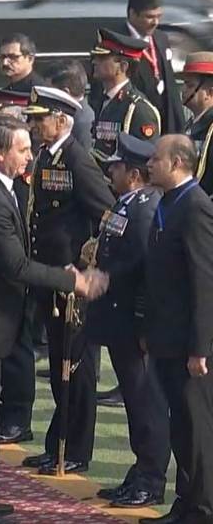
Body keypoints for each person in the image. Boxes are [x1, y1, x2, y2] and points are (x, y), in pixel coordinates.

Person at [0, 115, 106, 523]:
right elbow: (14, 264)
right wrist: (73, 281)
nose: (30, 155)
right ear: (0, 152)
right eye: (23, 149)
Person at [20, 86, 115, 476]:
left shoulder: (77, 158)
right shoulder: (47, 154)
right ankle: (55, 442)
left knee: (76, 367)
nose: (33, 124)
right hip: (49, 276)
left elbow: (107, 213)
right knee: (60, 362)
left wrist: (88, 258)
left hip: (71, 282)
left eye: (40, 118)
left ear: (61, 120)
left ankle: (76, 447)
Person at [83, 133, 169, 509]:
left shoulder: (146, 207)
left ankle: (151, 477)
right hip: (117, 319)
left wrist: (142, 321)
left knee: (145, 402)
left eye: (115, 167)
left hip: (132, 322)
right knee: (136, 401)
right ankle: (141, 469)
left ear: (133, 174)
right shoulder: (129, 202)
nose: (110, 172)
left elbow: (145, 269)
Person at [141, 135, 213, 524]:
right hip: (165, 335)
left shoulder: (197, 206)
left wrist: (200, 347)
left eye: (156, 158)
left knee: (197, 429)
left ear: (178, 162)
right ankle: (185, 504)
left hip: (189, 344)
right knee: (181, 428)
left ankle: (202, 510)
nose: (149, 165)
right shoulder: (169, 201)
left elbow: (205, 281)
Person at [89, 28, 161, 161]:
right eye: (95, 57)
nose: (94, 62)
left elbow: (146, 158)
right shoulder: (102, 99)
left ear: (123, 67)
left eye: (103, 58)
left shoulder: (138, 109)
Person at [123, 0, 184, 134]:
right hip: (136, 127)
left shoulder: (161, 38)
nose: (155, 22)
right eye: (149, 17)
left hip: (165, 127)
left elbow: (171, 88)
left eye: (158, 17)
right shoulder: (117, 42)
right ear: (133, 14)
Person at [178, 52, 213, 194]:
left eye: (189, 85)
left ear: (209, 93)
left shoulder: (209, 127)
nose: (183, 90)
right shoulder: (190, 124)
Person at [43, 60, 96, 151]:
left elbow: (83, 159)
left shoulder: (82, 121)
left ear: (65, 92)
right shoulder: (68, 113)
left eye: (50, 92)